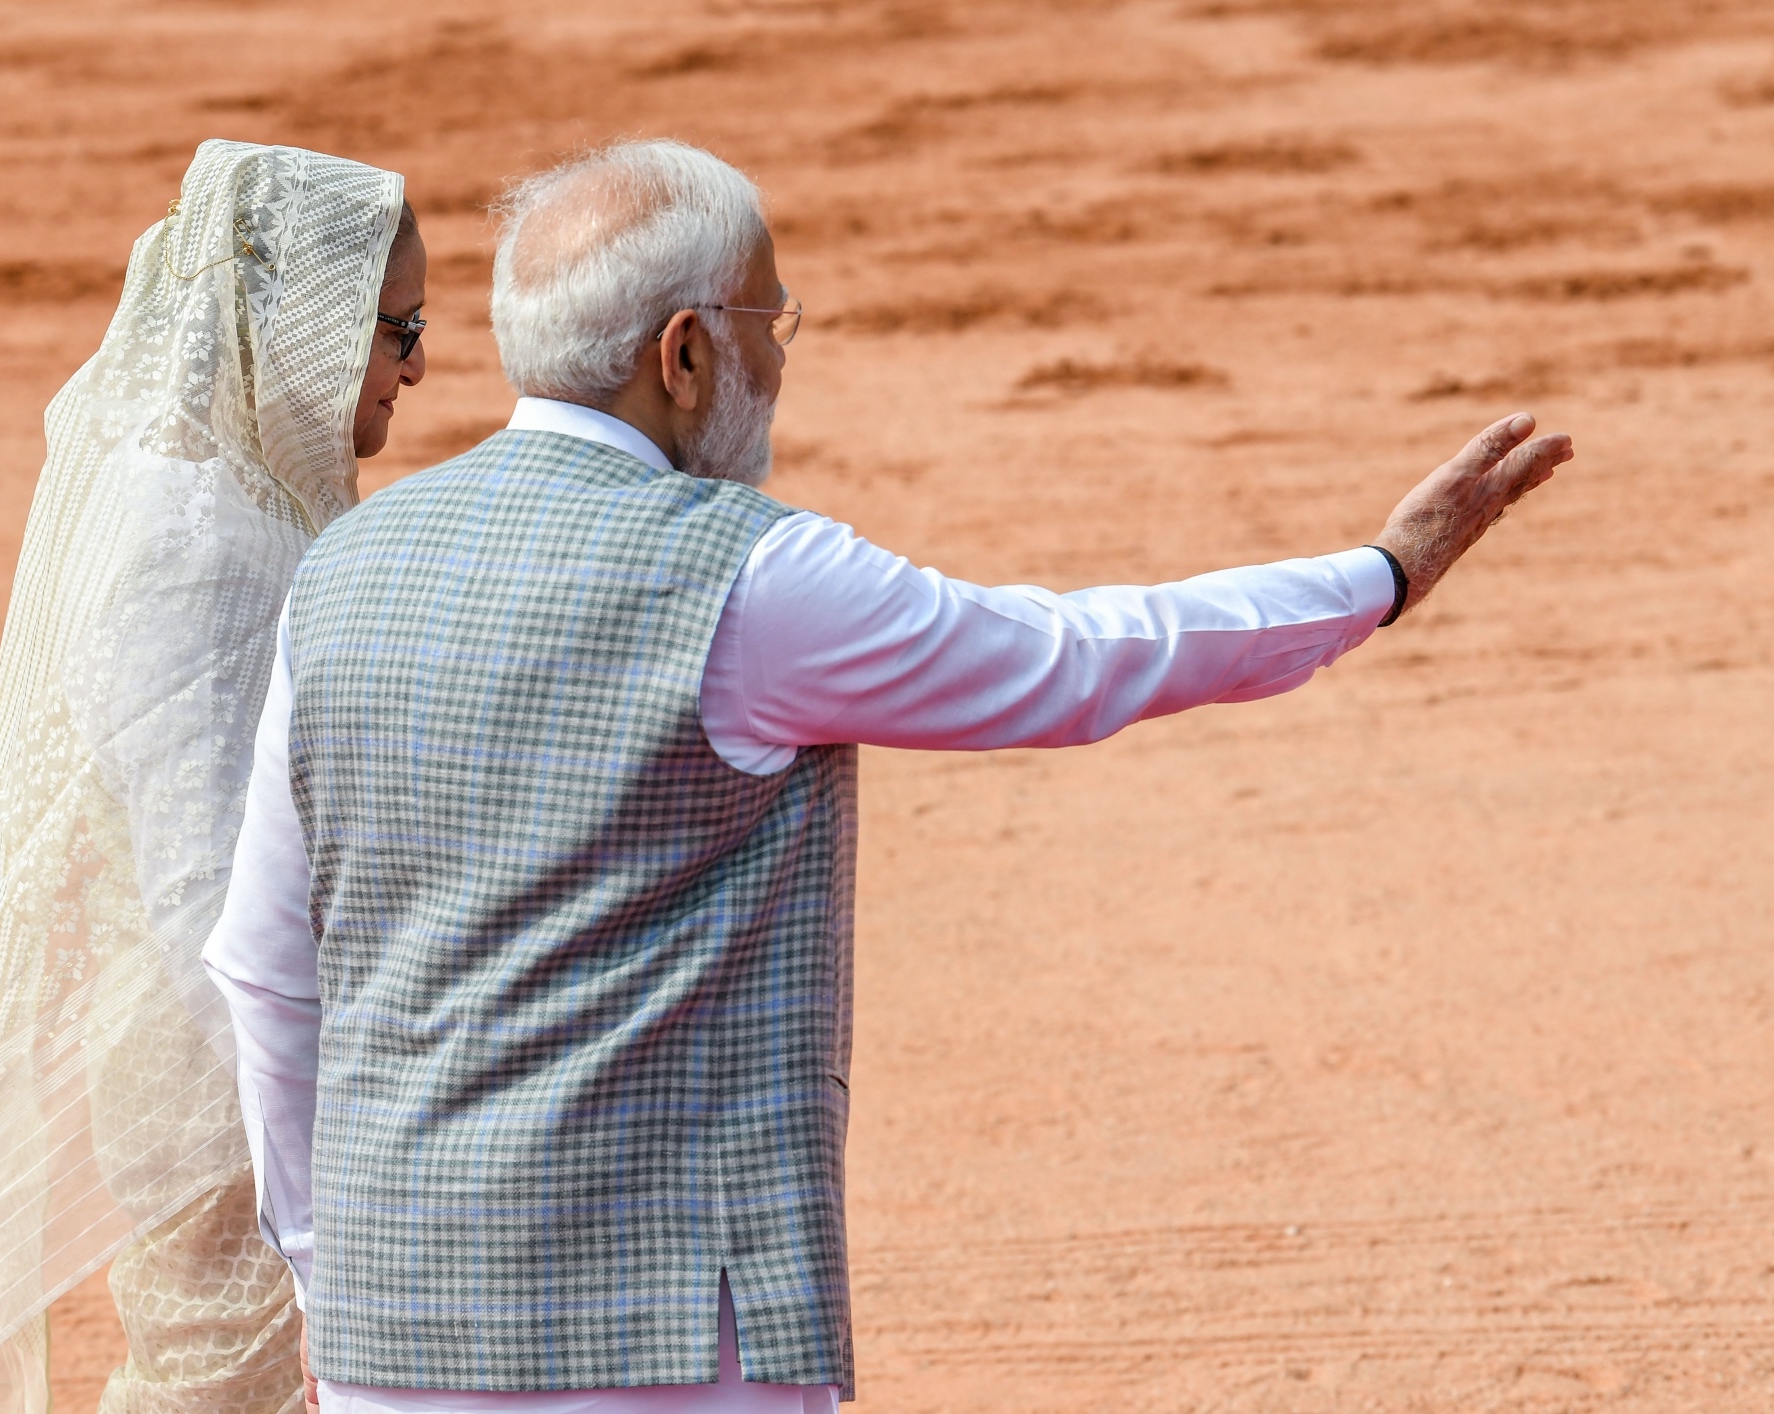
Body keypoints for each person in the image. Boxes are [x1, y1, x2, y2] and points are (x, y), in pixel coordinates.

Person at [202, 139, 1572, 1414]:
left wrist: (340, 1268)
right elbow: (1077, 657)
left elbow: (265, 965)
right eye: (767, 325)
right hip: (672, 1343)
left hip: (395, 1339)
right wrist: (1377, 577)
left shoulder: (346, 569)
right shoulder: (751, 575)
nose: (778, 366)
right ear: (683, 355)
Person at [0, 138, 428, 1414]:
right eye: (393, 327)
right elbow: (197, 881)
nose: (418, 364)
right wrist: (313, 1098)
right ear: (298, 324)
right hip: (212, 1068)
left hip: (223, 1038)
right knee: (220, 1385)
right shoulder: (191, 537)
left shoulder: (231, 489)